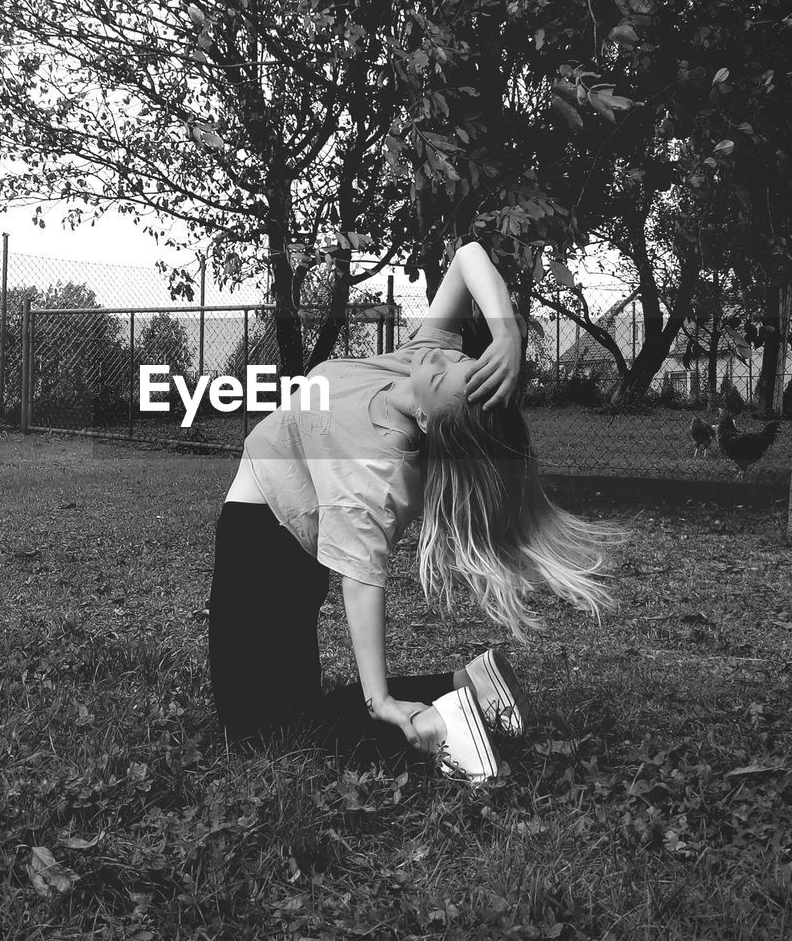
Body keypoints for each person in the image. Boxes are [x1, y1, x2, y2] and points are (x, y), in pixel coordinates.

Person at [207, 242, 619, 781]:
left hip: (261, 541)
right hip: (285, 533)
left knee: (261, 735)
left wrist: (381, 700)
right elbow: (469, 255)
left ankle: (447, 719)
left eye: (466, 381)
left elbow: (361, 580)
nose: (461, 360)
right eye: (475, 361)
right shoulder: (416, 364)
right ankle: (467, 689)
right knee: (290, 711)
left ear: (433, 422)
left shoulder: (376, 464)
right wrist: (507, 335)